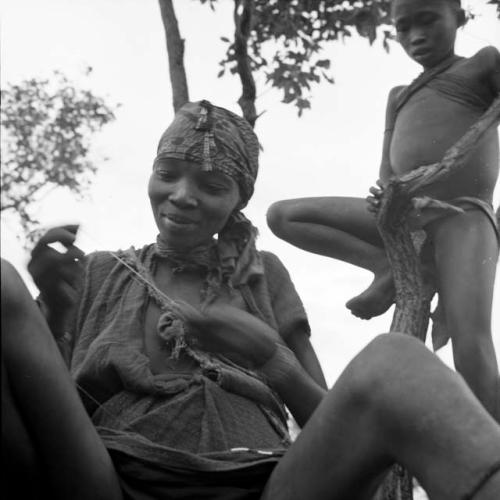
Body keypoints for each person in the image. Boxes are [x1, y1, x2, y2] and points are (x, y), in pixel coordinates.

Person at [2, 100, 500, 500]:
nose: (180, 195)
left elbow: (327, 420)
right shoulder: (99, 271)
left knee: (397, 363)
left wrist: (271, 361)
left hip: (261, 484)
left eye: (212, 185)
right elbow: (48, 410)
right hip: (107, 478)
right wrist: (55, 313)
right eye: (167, 173)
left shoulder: (264, 276)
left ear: (239, 199)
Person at [266, 0, 500, 421]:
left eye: (428, 20)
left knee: (472, 343)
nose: (416, 36)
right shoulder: (398, 96)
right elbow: (387, 173)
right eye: (404, 27)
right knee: (284, 215)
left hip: (462, 216)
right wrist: (383, 199)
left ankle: (491, 457)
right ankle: (387, 266)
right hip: (405, 215)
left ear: (460, 18)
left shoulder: (483, 65)